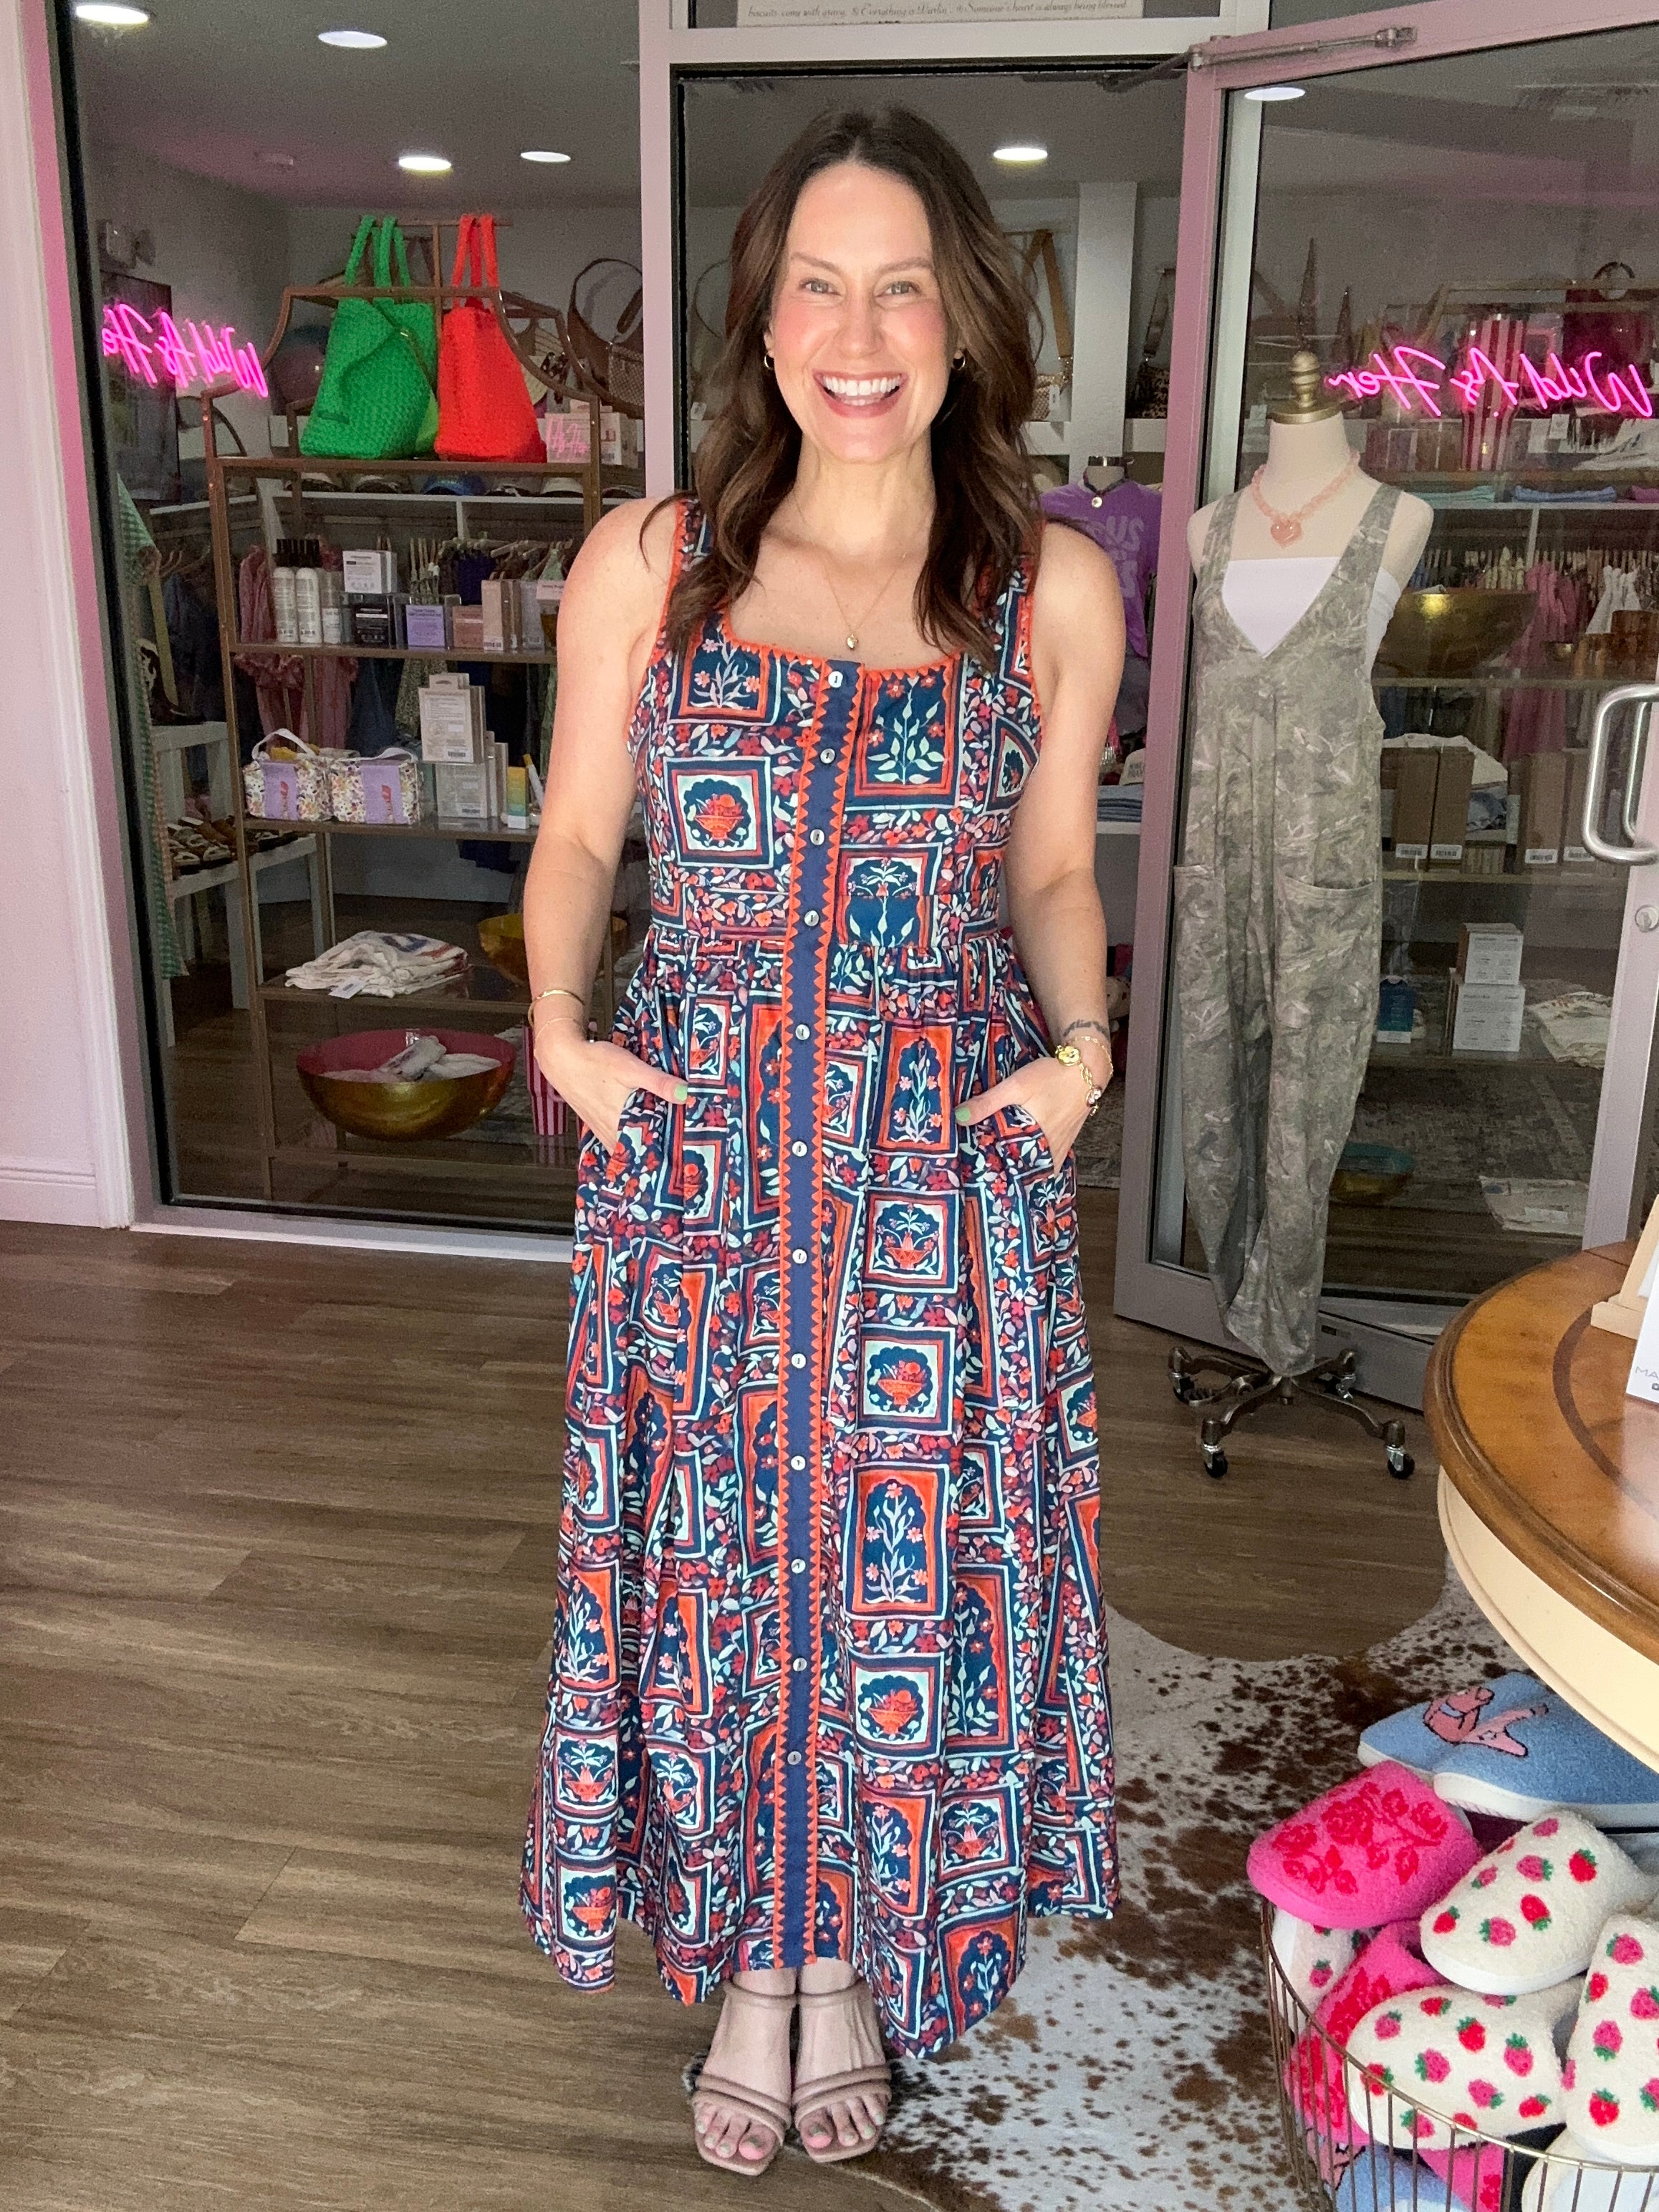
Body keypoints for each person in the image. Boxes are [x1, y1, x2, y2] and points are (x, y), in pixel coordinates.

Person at [518, 105, 1124, 2176]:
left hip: (935, 1159)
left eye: (902, 289)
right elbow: (579, 835)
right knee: (718, 1569)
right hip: (699, 1154)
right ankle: (753, 1966)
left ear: (966, 319)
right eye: (816, 287)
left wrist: (1083, 1052)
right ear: (762, 318)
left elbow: (1054, 870)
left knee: (897, 1583)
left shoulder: (1047, 589)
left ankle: (846, 1965)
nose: (857, 336)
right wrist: (560, 1037)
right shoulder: (652, 563)